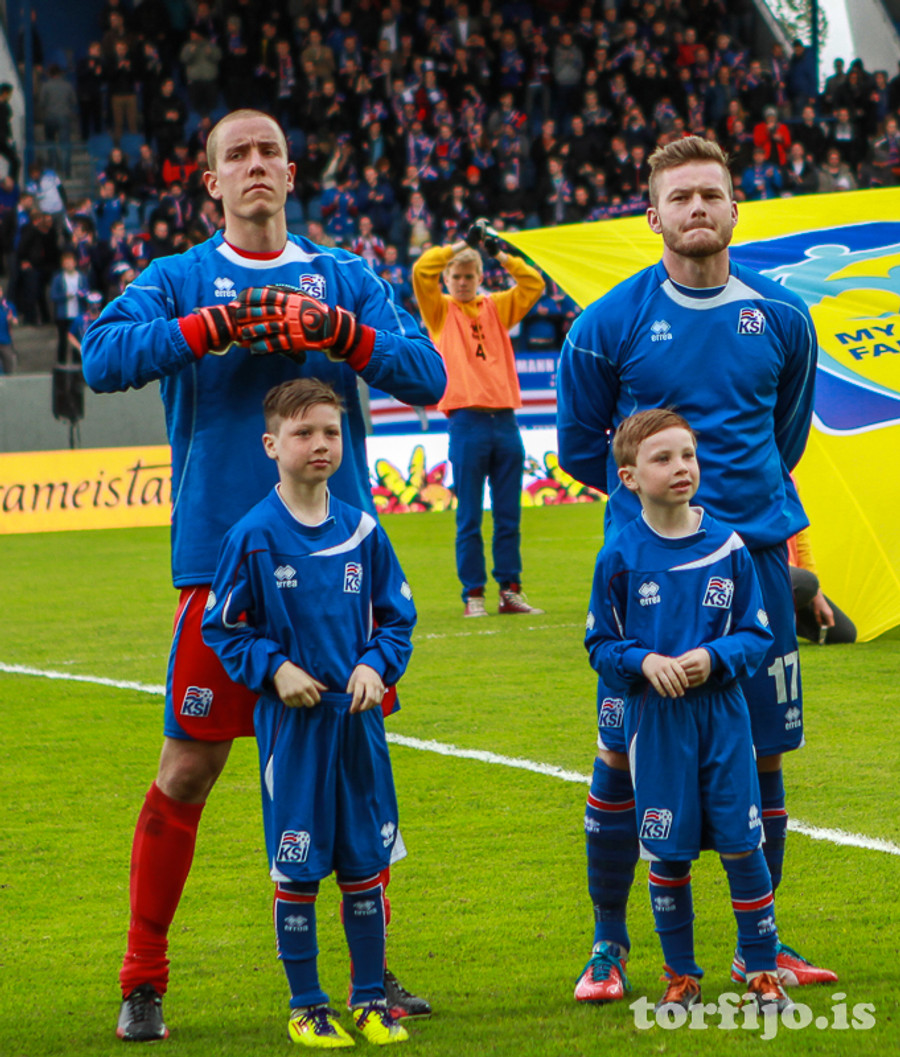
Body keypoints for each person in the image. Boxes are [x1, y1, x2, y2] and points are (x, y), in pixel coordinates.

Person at [82, 108, 445, 1043]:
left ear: (291, 171)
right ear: (211, 182)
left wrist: (340, 332)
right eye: (235, 155)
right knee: (188, 768)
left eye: (268, 152)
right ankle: (142, 977)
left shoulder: (344, 275)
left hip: (336, 572)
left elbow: (426, 372)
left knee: (354, 767)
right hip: (222, 566)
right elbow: (100, 356)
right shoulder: (179, 278)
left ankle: (371, 976)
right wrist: (205, 328)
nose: (255, 165)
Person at [556, 136, 834, 1004]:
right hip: (649, 572)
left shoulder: (782, 316)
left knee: (765, 753)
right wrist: (659, 522)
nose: (697, 209)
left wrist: (729, 517)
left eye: (711, 194)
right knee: (621, 752)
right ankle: (608, 944)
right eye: (680, 198)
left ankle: (762, 947)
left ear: (734, 208)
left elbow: (784, 435)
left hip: (755, 560)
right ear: (654, 216)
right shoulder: (607, 324)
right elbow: (582, 448)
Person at [202, 378, 415, 1048]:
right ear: (271, 445)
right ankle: (306, 1006)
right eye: (303, 433)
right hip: (293, 732)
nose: (320, 443)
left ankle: (371, 1000)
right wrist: (274, 667)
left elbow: (398, 619)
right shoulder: (252, 536)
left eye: (331, 431)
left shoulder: (363, 529)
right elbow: (223, 628)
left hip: (358, 726)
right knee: (297, 866)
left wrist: (376, 665)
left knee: (363, 866)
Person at [586, 409, 791, 1014]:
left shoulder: (729, 546)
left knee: (742, 843)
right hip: (656, 723)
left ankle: (760, 969)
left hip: (723, 718)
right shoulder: (619, 556)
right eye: (663, 458)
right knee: (667, 848)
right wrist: (644, 661)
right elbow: (600, 645)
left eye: (688, 455)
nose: (681, 468)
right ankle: (681, 976)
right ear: (629, 477)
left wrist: (713, 656)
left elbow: (757, 634)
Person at [412, 220, 546, 618]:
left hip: (504, 422)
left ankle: (509, 591)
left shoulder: (496, 307)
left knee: (509, 516)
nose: (462, 282)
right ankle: (473, 594)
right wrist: (459, 246)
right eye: (456, 276)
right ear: (447, 279)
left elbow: (534, 284)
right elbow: (421, 270)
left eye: (469, 276)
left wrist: (498, 251)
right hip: (467, 421)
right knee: (468, 516)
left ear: (480, 278)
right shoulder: (439, 311)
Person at [789, 527, 857, 645]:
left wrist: (816, 594)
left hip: (790, 582)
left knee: (843, 633)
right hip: (762, 578)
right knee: (806, 582)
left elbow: (803, 550)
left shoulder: (795, 514)